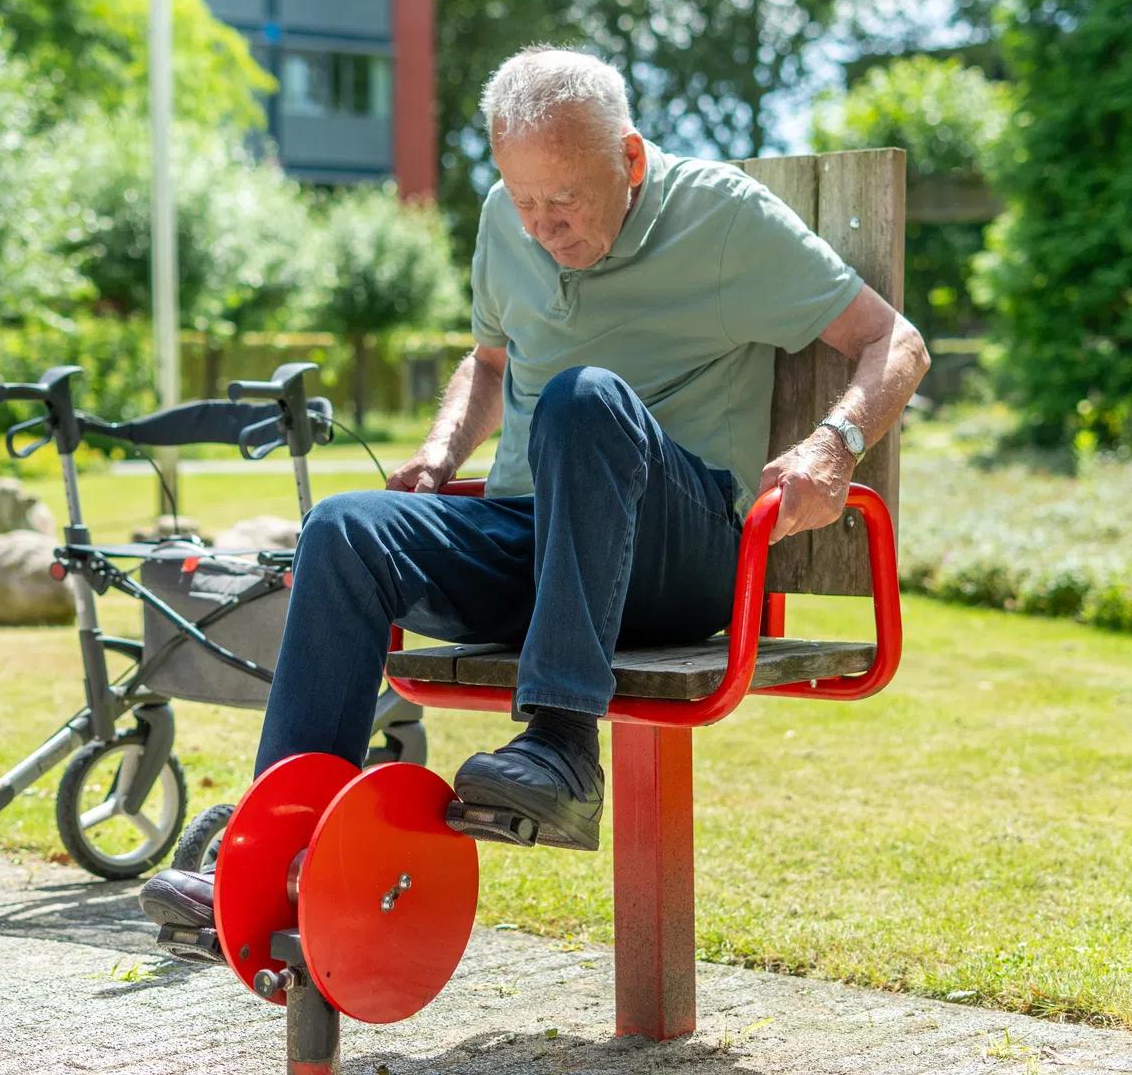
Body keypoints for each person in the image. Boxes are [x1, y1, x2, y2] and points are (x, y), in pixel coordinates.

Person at [138, 46, 929, 951]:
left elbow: (895, 341)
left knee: (583, 398)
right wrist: (437, 456)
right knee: (345, 527)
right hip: (537, 543)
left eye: (565, 201)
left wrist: (835, 446)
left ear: (630, 160)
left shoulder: (721, 218)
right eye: (524, 201)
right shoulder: (501, 222)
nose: (542, 226)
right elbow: (487, 364)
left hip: (680, 561)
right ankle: (279, 847)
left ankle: (560, 745)